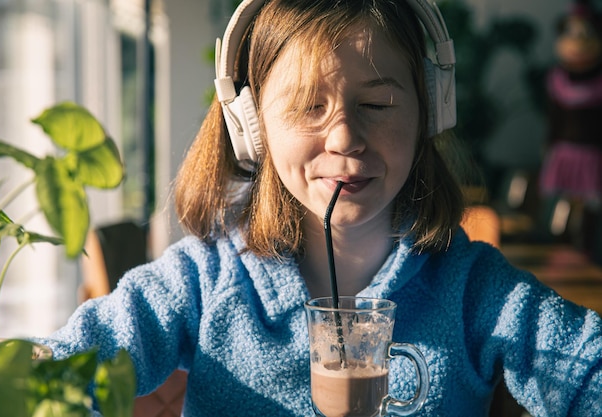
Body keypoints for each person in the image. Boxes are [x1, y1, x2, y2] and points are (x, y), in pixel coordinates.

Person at [38, 0, 602, 416]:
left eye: (377, 103)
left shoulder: (475, 291)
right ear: (251, 127)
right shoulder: (203, 280)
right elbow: (70, 363)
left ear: (430, 111)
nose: (344, 138)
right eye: (309, 106)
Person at [539, 0, 602, 259]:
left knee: (590, 218)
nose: (578, 42)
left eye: (586, 34)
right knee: (559, 216)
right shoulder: (556, 81)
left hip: (593, 160)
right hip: (563, 157)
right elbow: (553, 121)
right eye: (572, 33)